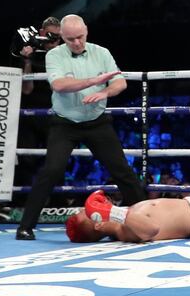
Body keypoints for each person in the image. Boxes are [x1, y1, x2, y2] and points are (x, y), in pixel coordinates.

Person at [16, 14, 147, 240]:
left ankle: (148, 218)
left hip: (97, 121)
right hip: (64, 123)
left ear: (86, 31)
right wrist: (94, 81)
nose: (76, 43)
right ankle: (25, 226)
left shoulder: (101, 52)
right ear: (62, 38)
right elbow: (59, 85)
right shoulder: (55, 55)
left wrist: (104, 92)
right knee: (52, 171)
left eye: (80, 37)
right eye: (70, 39)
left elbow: (120, 82)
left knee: (122, 170)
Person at [11, 17, 62, 191]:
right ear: (41, 33)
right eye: (50, 36)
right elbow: (27, 89)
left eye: (58, 37)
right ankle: (20, 201)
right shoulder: (28, 51)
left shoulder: (64, 55)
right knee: (26, 159)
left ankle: (57, 203)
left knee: (57, 158)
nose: (54, 40)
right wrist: (26, 61)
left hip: (54, 113)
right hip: (30, 114)